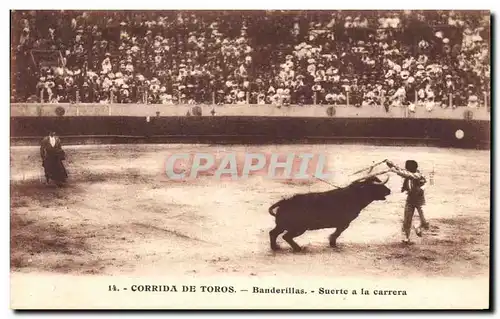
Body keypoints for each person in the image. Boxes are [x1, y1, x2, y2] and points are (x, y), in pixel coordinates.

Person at [386, 160, 429, 243]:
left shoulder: (418, 175)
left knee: (425, 221)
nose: (407, 170)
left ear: (414, 168)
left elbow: (407, 174)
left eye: (408, 168)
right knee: (407, 220)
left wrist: (394, 170)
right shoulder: (410, 173)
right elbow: (402, 170)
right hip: (410, 199)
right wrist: (391, 165)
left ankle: (417, 226)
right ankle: (407, 238)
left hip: (420, 200)